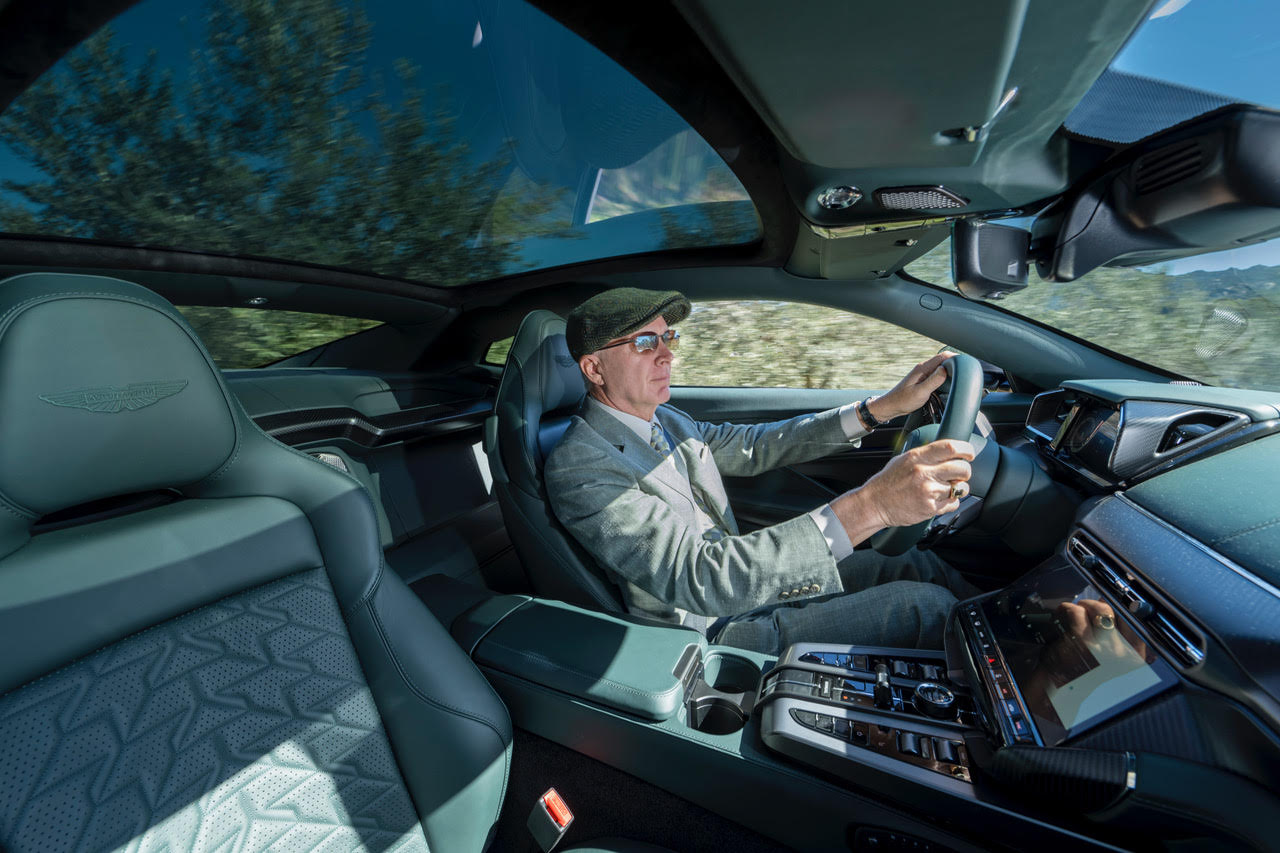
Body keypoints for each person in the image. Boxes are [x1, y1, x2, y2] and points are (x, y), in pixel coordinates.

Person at [544, 288, 979, 654]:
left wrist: (879, 408)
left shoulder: (668, 419)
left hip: (747, 586)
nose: (666, 357)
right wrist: (875, 505)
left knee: (914, 563)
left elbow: (755, 447)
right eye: (644, 343)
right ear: (594, 368)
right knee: (925, 607)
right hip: (709, 633)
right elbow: (699, 576)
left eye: (667, 338)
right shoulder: (580, 465)